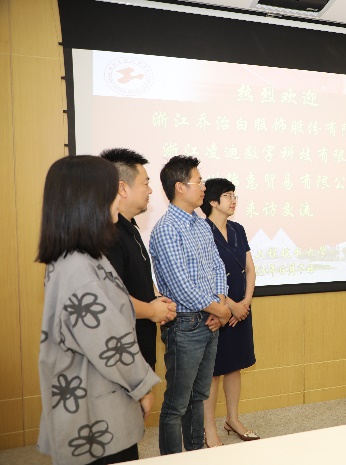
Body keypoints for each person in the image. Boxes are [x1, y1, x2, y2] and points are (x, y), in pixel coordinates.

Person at [36, 156, 160, 465]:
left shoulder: (84, 256)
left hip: (98, 398)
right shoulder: (77, 266)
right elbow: (109, 341)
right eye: (111, 191)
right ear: (90, 200)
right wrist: (142, 385)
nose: (118, 198)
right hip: (95, 412)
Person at [149, 155, 232, 455]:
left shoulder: (200, 225)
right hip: (185, 325)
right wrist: (219, 310)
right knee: (177, 404)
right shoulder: (167, 228)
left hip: (210, 320)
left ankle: (197, 454)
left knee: (199, 396)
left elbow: (218, 268)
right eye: (199, 182)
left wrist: (220, 303)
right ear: (180, 187)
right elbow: (181, 285)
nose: (204, 187)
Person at [100, 148, 177, 369]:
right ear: (123, 188)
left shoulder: (130, 227)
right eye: (145, 183)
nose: (150, 190)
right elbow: (110, 297)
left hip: (139, 346)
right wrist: (152, 311)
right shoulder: (109, 234)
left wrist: (157, 300)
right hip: (120, 352)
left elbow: (135, 277)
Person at [200, 178, 259, 446]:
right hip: (217, 311)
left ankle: (232, 419)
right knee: (213, 372)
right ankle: (208, 428)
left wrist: (245, 302)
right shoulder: (202, 231)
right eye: (227, 195)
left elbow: (250, 268)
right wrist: (231, 306)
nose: (233, 200)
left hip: (241, 310)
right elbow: (204, 276)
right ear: (213, 201)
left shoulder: (238, 229)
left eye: (234, 195)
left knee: (235, 366)